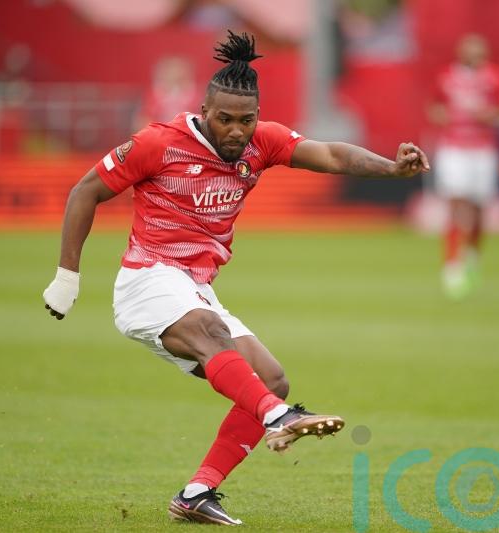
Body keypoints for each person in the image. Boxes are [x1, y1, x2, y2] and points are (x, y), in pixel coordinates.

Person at [42, 31, 428, 526]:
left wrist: (392, 169)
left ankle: (198, 492)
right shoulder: (158, 143)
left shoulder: (261, 142)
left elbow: (330, 154)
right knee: (214, 335)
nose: (235, 131)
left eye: (245, 121)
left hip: (195, 286)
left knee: (271, 378)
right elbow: (84, 191)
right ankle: (278, 418)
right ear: (203, 109)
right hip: (147, 279)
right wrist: (67, 276)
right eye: (224, 118)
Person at [426, 34, 499, 299]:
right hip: (454, 148)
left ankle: (472, 256)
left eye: (478, 50)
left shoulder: (495, 77)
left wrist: (488, 115)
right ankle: (452, 267)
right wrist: (442, 115)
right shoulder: (447, 76)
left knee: (478, 209)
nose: (473, 54)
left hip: (483, 150)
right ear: (460, 51)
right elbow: (434, 108)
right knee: (455, 203)